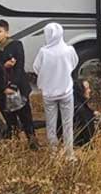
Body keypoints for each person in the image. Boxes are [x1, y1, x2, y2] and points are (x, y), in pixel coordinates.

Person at [0, 19, 39, 150]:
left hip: (18, 87)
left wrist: (13, 86)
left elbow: (19, 67)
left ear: (6, 33)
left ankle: (31, 139)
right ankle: (15, 142)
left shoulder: (16, 45)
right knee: (8, 116)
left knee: (25, 115)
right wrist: (3, 66)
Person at [32, 23, 79, 160]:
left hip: (49, 94)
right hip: (66, 92)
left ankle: (53, 153)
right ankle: (69, 153)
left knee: (51, 124)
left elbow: (36, 68)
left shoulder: (43, 52)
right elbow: (74, 63)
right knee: (67, 123)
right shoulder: (69, 50)